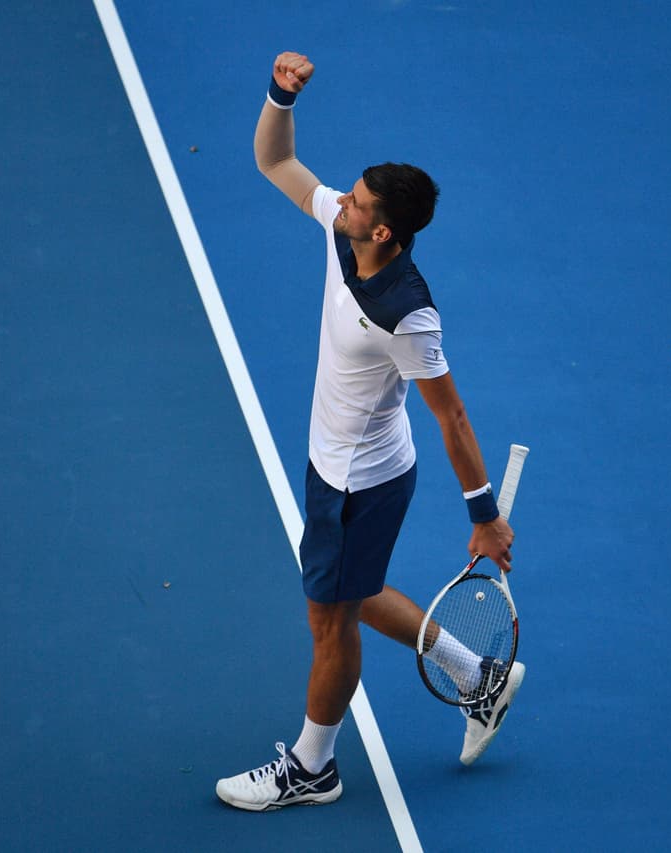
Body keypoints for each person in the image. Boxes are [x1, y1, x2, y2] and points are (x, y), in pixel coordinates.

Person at [214, 52, 524, 812]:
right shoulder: (342, 232)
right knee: (351, 592)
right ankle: (478, 676)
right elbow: (274, 158)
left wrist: (484, 516)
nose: (338, 202)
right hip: (333, 462)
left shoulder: (407, 313)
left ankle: (313, 765)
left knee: (329, 619)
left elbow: (450, 413)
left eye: (351, 201)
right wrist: (280, 94)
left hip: (364, 480)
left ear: (381, 229)